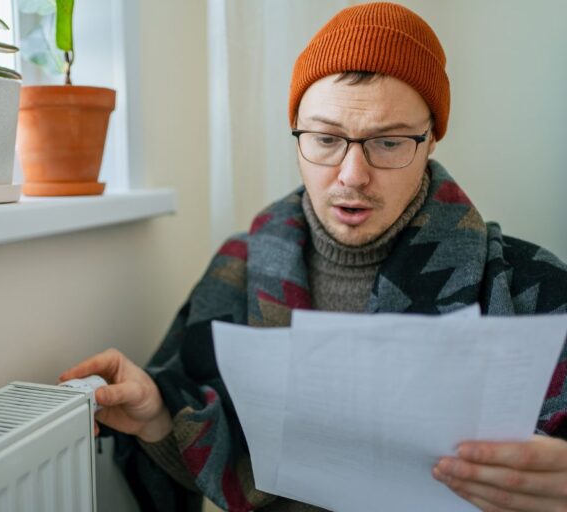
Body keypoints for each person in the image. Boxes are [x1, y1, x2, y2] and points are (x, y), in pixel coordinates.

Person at [61, 3, 567, 511]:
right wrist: (158, 418)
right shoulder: (238, 268)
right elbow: (201, 452)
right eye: (325, 139)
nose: (351, 175)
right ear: (297, 131)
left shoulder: (532, 286)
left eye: (388, 143)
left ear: (431, 138)